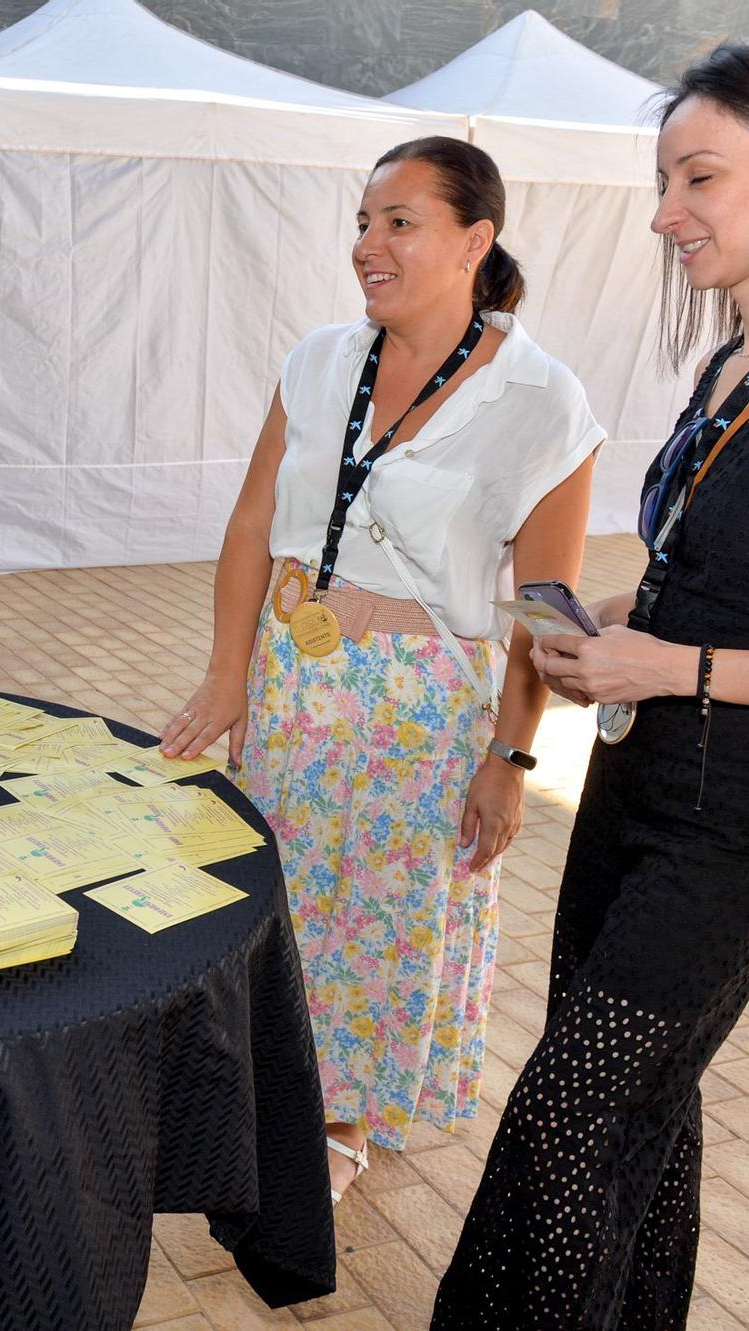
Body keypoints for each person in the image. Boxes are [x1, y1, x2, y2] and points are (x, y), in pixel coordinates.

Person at [433, 35, 749, 1330]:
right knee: (634, 1108)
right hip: (635, 773)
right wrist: (600, 620)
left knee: (565, 1119)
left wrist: (675, 661)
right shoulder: (733, 362)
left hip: (740, 815)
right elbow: (709, 576)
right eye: (666, 178)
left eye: (699, 178)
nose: (666, 213)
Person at [161, 137, 603, 1204]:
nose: (367, 245)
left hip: (419, 706)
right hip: (293, 676)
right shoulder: (317, 359)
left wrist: (508, 754)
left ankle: (344, 1115)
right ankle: (267, 1084)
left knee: (387, 910)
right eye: (362, 222)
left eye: (397, 221)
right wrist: (228, 676)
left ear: (473, 239)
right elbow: (252, 523)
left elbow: (542, 610)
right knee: (279, 891)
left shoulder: (542, 404)